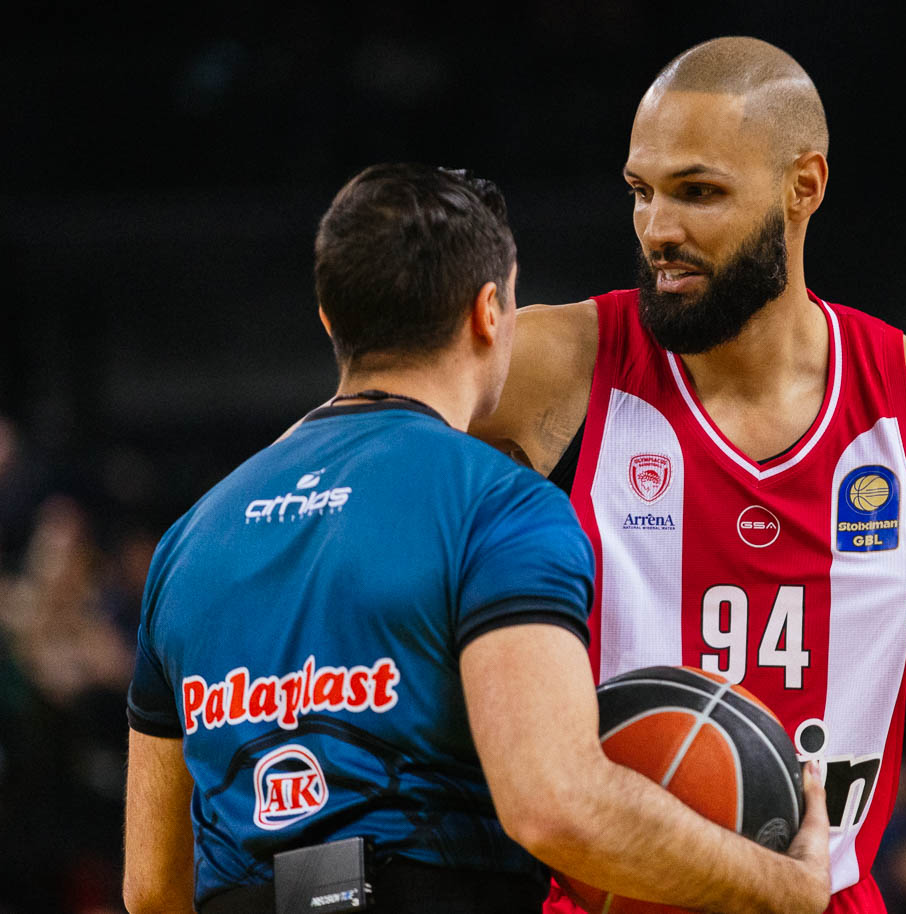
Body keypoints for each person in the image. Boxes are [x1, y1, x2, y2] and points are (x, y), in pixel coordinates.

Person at [468, 37, 906, 914]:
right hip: (607, 898)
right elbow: (359, 439)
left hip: (824, 894)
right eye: (642, 191)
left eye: (697, 192)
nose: (658, 228)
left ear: (803, 186)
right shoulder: (567, 361)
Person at [122, 163, 831, 914]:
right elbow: (555, 806)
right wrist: (788, 887)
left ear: (330, 318)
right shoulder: (499, 506)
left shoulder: (189, 540)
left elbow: (152, 887)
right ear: (489, 312)